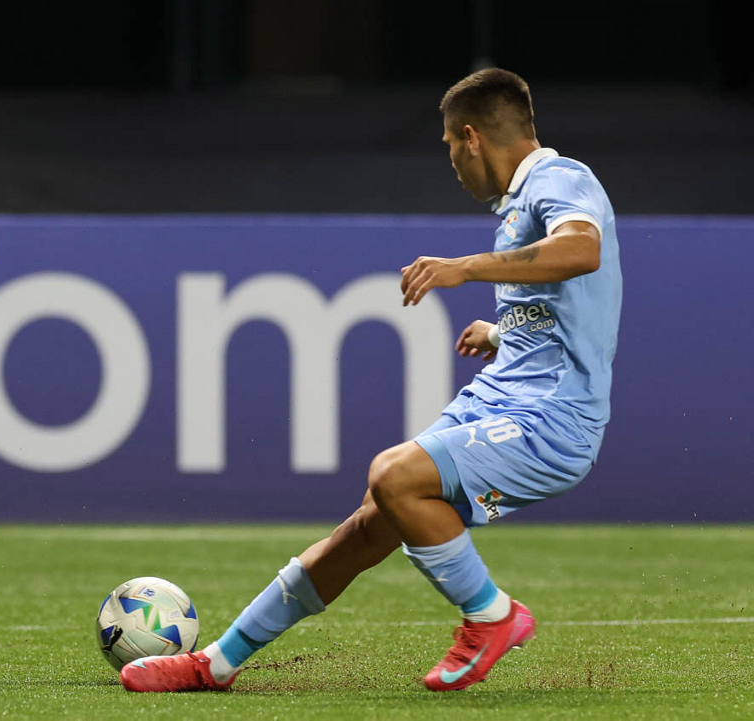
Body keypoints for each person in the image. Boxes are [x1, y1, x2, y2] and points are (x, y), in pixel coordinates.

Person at [121, 67, 621, 693]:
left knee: (394, 475)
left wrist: (465, 268)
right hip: (501, 399)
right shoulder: (519, 205)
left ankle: (492, 616)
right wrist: (499, 335)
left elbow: (582, 250)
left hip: (553, 420)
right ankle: (216, 663)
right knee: (368, 522)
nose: (452, 162)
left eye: (449, 145)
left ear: (471, 137)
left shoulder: (560, 178)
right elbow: (568, 316)